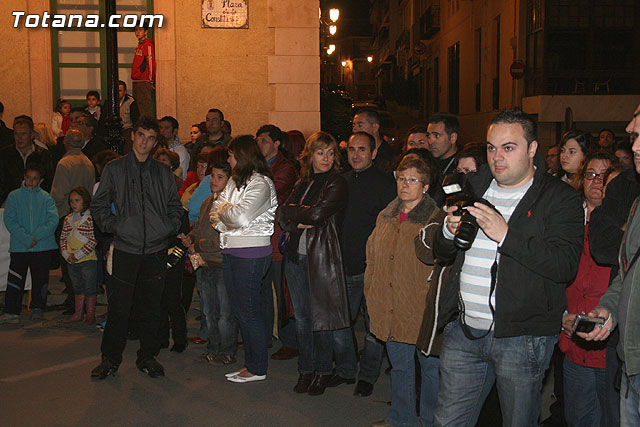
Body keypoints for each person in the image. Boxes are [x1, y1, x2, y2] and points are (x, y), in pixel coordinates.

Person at [432, 108, 584, 426]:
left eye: (508, 147)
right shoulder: (474, 184)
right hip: (465, 331)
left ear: (532, 150)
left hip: (522, 338)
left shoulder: (560, 198)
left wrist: (506, 236)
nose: (497, 157)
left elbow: (564, 265)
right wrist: (448, 228)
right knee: (447, 421)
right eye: (491, 147)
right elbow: (442, 250)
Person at [90, 117, 183, 380]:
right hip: (126, 249)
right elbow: (98, 205)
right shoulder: (115, 169)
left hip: (155, 250)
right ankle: (110, 358)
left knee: (152, 307)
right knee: (119, 307)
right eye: (141, 135)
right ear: (133, 136)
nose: (144, 142)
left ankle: (147, 356)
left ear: (156, 143)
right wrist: (116, 226)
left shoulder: (163, 172)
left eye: (150, 138)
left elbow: (175, 208)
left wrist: (166, 227)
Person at [366, 154, 444, 427]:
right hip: (390, 305)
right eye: (401, 178)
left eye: (413, 180)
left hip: (421, 307)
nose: (405, 184)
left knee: (430, 370)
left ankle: (431, 421)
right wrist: (372, 293)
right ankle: (401, 419)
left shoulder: (435, 218)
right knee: (400, 367)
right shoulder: (386, 215)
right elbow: (373, 257)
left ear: (425, 186)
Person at [580, 104, 640, 425]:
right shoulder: (632, 196)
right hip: (630, 359)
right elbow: (625, 266)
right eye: (633, 137)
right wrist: (610, 309)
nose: (634, 147)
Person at [280, 131, 350, 396]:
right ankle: (305, 370)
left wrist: (296, 215)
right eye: (321, 152)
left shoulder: (336, 183)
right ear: (310, 155)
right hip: (295, 258)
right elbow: (283, 213)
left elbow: (318, 214)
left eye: (331, 153)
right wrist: (297, 216)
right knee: (302, 319)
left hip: (320, 258)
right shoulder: (304, 181)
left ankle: (322, 372)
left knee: (320, 319)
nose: (326, 158)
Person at [327, 131, 396, 397]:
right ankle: (345, 370)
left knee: (373, 327)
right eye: (352, 149)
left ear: (374, 152)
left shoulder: (386, 184)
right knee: (341, 323)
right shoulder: (340, 182)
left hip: (374, 269)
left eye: (362, 150)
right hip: (342, 265)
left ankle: (367, 375)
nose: (356, 154)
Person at [209, 135, 277, 383]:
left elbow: (238, 218)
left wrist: (225, 212)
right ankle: (251, 363)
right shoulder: (235, 182)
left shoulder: (262, 183)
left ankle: (257, 367)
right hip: (231, 251)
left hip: (252, 254)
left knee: (249, 311)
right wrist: (227, 214)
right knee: (240, 310)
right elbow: (214, 216)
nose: (228, 159)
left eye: (231, 154)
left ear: (242, 155)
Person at [559, 150, 616, 427]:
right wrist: (561, 318)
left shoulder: (624, 229)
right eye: (591, 174)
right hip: (574, 343)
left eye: (604, 176)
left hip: (611, 350)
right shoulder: (566, 223)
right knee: (577, 418)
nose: (597, 181)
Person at [183, 157, 238, 364]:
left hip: (222, 264)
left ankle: (227, 350)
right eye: (212, 176)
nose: (214, 180)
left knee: (225, 313)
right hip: (204, 264)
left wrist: (199, 244)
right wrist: (191, 237)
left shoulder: (229, 205)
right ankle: (213, 347)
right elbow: (198, 229)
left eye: (220, 177)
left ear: (229, 180)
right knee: (208, 311)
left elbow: (223, 239)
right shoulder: (208, 202)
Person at [255, 124, 299, 358]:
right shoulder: (260, 167)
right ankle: (264, 336)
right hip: (260, 238)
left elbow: (269, 196)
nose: (259, 144)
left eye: (263, 140)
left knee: (283, 292)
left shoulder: (286, 168)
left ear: (277, 143)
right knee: (262, 290)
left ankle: (290, 340)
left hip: (277, 239)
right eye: (258, 140)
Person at [0, 163, 58, 324]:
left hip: (42, 247)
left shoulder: (46, 198)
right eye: (28, 178)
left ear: (41, 181)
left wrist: (36, 237)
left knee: (40, 279)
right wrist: (26, 238)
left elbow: (52, 220)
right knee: (15, 278)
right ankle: (12, 310)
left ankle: (37, 308)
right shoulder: (13, 196)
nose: (31, 182)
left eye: (35, 179)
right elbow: (9, 220)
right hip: (20, 246)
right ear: (24, 178)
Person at [60, 187, 99, 324]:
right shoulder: (67, 219)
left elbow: (93, 240)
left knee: (89, 287)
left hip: (87, 260)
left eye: (77, 200)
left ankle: (90, 315)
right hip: (71, 260)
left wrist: (78, 255)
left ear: (85, 201)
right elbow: (63, 238)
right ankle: (78, 313)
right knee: (76, 287)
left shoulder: (89, 219)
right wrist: (66, 254)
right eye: (71, 201)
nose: (73, 204)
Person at [0, 115, 54, 206]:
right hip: (11, 203)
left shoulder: (43, 155)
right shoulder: (4, 155)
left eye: (23, 134)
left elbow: (49, 181)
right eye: (16, 134)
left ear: (32, 134)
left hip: (37, 203)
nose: (19, 138)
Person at [50, 128, 96, 219]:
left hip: (65, 213)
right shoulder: (89, 163)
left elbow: (58, 195)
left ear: (65, 141)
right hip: (84, 213)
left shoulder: (64, 164)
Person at [427, 113, 460, 178]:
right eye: (428, 136)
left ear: (453, 138)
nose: (430, 141)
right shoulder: (426, 163)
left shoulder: (463, 166)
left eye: (437, 136)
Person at [132, 25, 155, 118]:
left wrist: (151, 80)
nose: (138, 32)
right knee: (138, 108)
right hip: (136, 79)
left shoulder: (148, 44)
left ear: (146, 31)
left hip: (144, 80)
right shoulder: (139, 45)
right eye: (136, 30)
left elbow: (151, 62)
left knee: (145, 109)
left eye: (140, 30)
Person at [117, 80, 140, 153]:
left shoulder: (131, 102)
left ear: (125, 92)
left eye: (120, 91)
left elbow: (136, 119)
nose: (117, 93)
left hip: (127, 129)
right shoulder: (109, 101)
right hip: (114, 131)